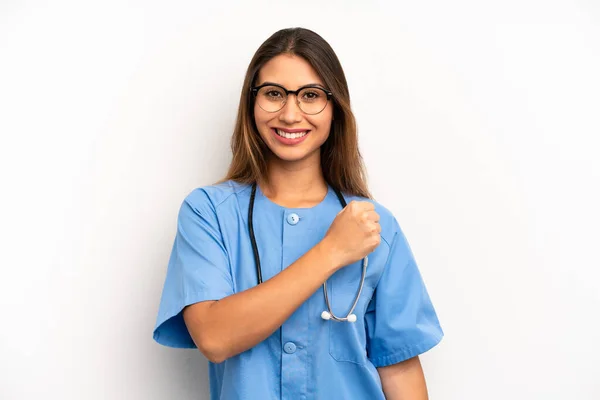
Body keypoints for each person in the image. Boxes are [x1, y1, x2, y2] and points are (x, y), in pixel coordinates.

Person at [153, 27, 443, 400]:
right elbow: (214, 337)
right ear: (251, 103)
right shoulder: (209, 213)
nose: (291, 114)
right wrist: (332, 252)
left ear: (335, 107)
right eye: (274, 94)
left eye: (310, 96)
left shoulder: (375, 227)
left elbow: (400, 368)